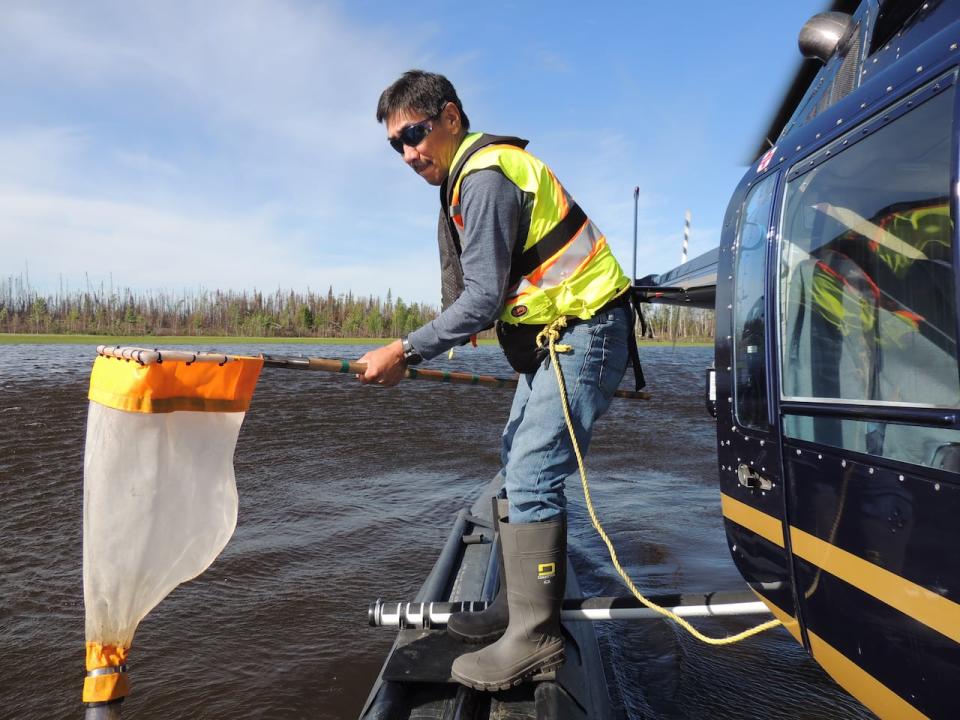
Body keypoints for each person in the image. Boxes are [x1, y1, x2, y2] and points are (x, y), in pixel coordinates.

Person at [361, 69, 639, 691]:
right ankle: (517, 606)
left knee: (536, 475)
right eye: (396, 144)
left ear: (451, 118)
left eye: (415, 133)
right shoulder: (474, 174)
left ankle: (535, 640)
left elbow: (483, 298)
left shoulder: (484, 177)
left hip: (584, 331)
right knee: (517, 457)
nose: (409, 153)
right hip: (554, 335)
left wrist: (405, 351)